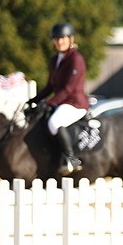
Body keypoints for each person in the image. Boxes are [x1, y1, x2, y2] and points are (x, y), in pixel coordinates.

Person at [28, 22, 88, 174]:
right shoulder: (55, 60)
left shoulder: (76, 59)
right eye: (56, 39)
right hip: (62, 103)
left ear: (70, 39)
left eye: (62, 38)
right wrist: (34, 100)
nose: (59, 42)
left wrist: (49, 103)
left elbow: (68, 89)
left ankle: (72, 159)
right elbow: (50, 86)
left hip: (75, 104)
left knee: (54, 122)